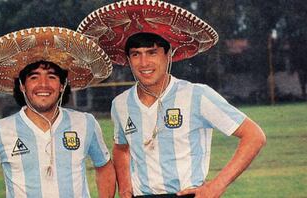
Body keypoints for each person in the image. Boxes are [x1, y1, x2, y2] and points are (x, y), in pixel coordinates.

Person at [77, 1, 266, 197]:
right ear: (128, 60)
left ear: (168, 55)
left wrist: (217, 185)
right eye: (136, 55)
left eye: (152, 52)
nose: (144, 63)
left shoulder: (196, 95)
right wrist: (124, 186)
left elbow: (254, 135)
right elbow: (121, 148)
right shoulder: (120, 104)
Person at [0, 27, 116, 198]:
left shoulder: (86, 123)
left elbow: (105, 167)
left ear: (62, 85)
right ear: (22, 86)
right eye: (34, 77)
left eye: (52, 77)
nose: (43, 85)